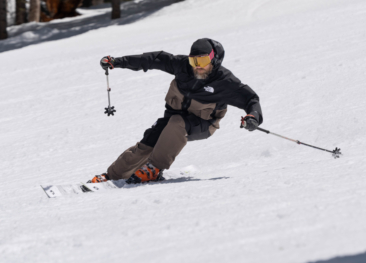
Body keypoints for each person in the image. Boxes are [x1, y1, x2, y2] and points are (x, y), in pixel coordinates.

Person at [90, 38, 263, 184]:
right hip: (174, 118)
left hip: (204, 124)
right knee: (149, 140)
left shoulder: (225, 82)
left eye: (202, 61)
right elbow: (152, 59)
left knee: (176, 123)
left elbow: (251, 99)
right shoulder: (182, 66)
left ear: (214, 59)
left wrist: (253, 116)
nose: (198, 66)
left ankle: (154, 169)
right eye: (194, 61)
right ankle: (113, 176)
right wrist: (118, 62)